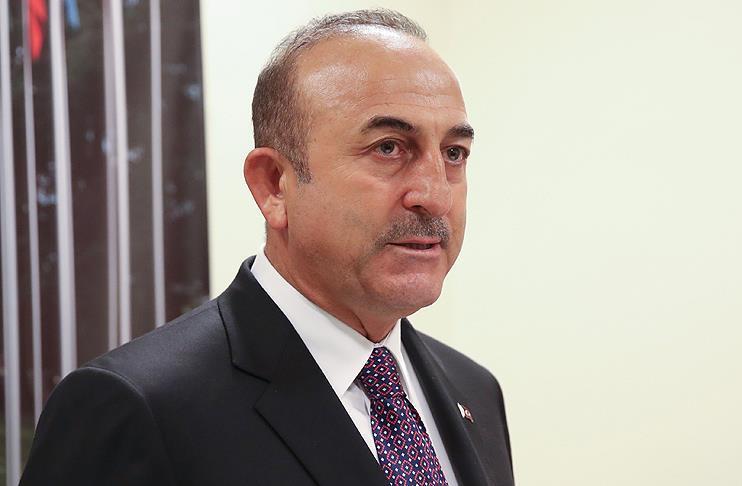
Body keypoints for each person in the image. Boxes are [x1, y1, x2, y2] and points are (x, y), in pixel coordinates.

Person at [20, 9, 513, 486]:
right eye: (388, 147)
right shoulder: (137, 407)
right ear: (274, 184)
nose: (435, 195)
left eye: (454, 153)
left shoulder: (473, 390)